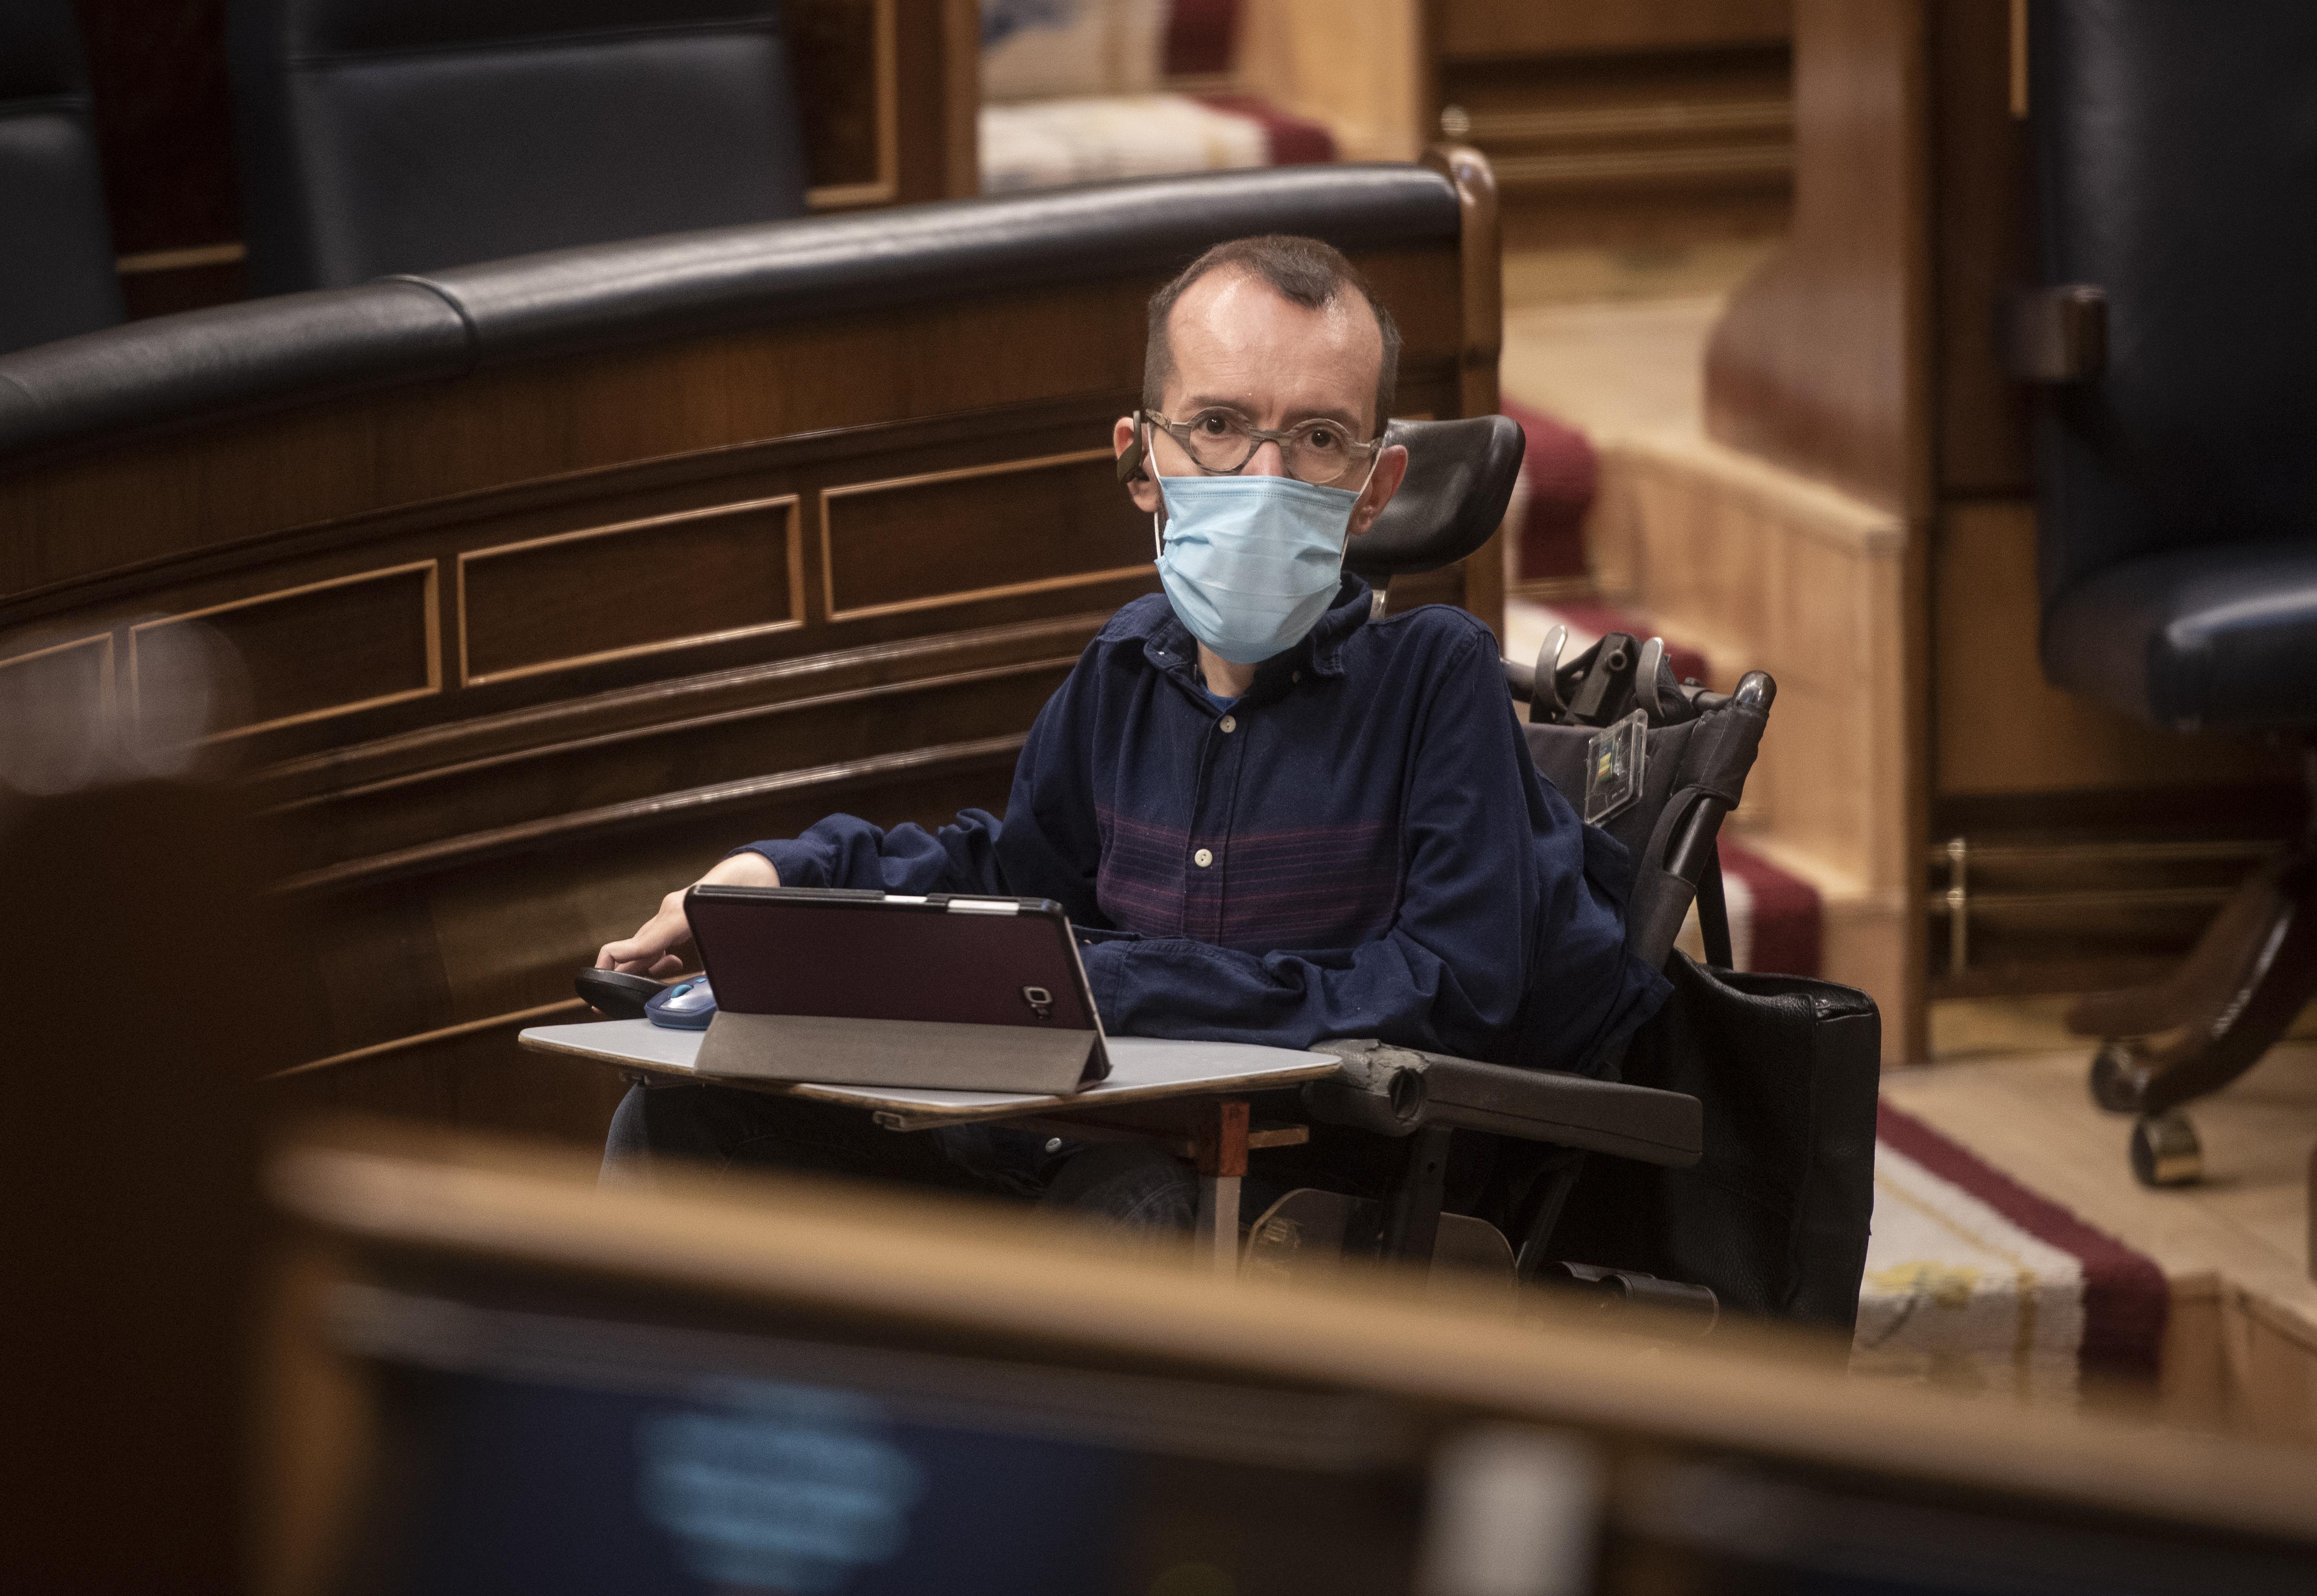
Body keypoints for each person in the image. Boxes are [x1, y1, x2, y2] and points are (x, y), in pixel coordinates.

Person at [597, 234, 1670, 1224]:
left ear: (1374, 486)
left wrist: (1113, 980)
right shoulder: (1122, 667)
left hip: (1304, 1189)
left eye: (1317, 438)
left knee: (1124, 1203)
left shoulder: (1436, 679)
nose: (1262, 478)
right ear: (1140, 461)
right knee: (681, 1121)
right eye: (1215, 426)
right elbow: (1014, 877)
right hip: (1083, 1144)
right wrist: (783, 885)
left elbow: (1450, 992)